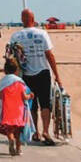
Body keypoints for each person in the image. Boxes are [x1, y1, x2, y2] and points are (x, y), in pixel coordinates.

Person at [8, 9, 63, 145]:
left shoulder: (16, 36)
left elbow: (12, 59)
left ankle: (36, 132)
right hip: (43, 72)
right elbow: (49, 55)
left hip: (26, 75)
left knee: (31, 104)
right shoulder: (42, 34)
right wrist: (57, 76)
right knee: (45, 104)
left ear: (22, 20)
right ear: (34, 19)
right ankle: (45, 131)